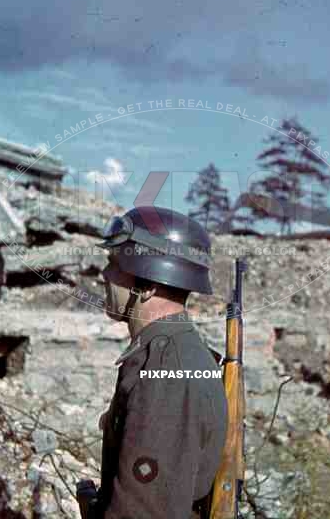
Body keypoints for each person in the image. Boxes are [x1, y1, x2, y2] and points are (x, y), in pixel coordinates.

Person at [96, 205, 228, 519]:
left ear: (148, 285)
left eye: (115, 264)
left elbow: (141, 512)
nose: (104, 274)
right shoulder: (163, 352)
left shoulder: (166, 372)